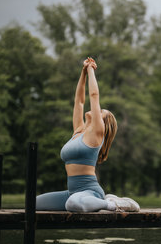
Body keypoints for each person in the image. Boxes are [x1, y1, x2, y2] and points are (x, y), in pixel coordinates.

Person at [36, 57, 140, 212]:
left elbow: (94, 95)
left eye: (101, 112)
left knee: (73, 205)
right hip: (72, 193)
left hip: (89, 192)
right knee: (31, 203)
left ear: (102, 123)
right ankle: (107, 199)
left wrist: (91, 69)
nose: (99, 110)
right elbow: (79, 101)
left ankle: (112, 204)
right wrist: (83, 72)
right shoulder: (79, 130)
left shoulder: (97, 134)